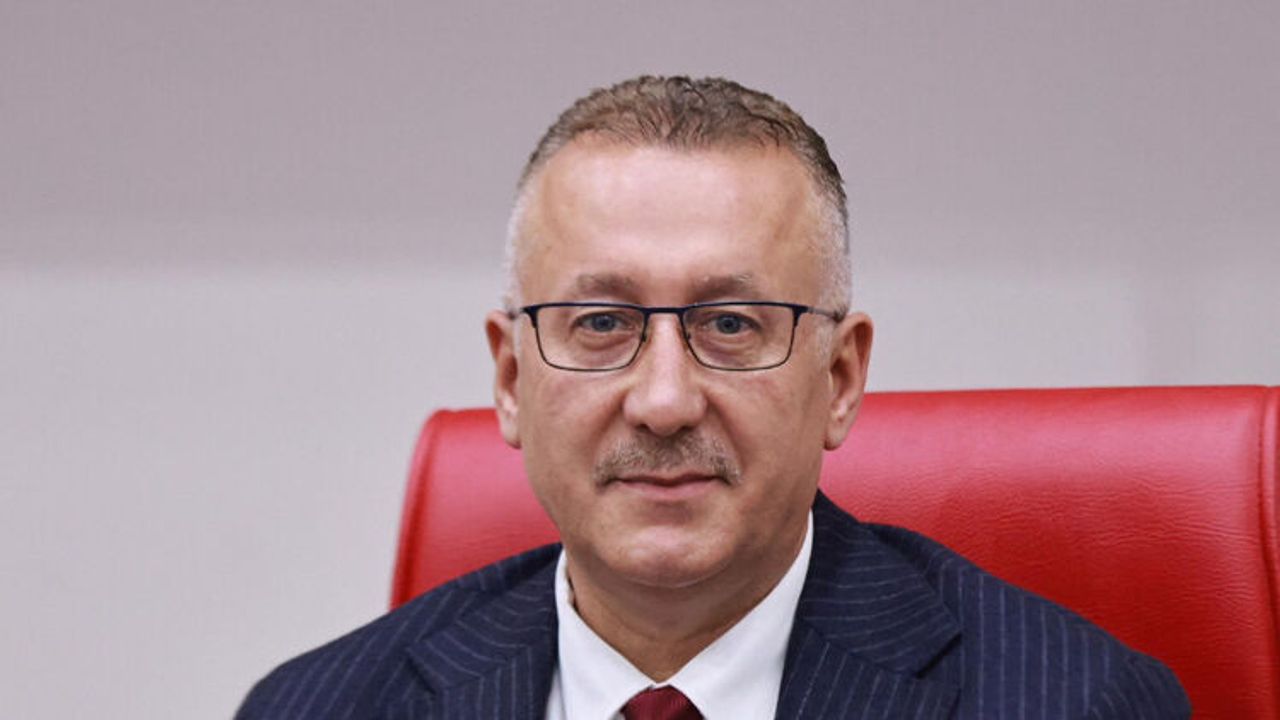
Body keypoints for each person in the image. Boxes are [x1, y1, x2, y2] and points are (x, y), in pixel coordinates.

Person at [236, 76, 1190, 719]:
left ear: (840, 379)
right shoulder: (319, 707)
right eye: (600, 323)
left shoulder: (1072, 702)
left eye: (731, 324)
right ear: (511, 378)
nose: (663, 402)